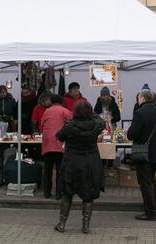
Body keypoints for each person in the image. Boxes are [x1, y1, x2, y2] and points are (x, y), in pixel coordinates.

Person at [54, 100, 104, 234]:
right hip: (91, 162)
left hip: (72, 162)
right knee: (88, 195)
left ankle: (62, 224)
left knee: (67, 193)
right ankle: (86, 225)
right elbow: (100, 120)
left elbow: (58, 136)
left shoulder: (70, 126)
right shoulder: (97, 125)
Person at [127, 90, 156, 221]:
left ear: (142, 98)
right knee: (152, 180)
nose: (138, 100)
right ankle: (154, 203)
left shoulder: (139, 113)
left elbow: (131, 134)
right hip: (155, 151)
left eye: (138, 98)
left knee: (145, 182)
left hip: (142, 152)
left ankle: (150, 212)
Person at [40, 94, 72, 200]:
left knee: (48, 169)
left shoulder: (46, 111)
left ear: (52, 102)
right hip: (59, 142)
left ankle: (46, 193)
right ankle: (58, 193)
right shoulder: (65, 111)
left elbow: (41, 126)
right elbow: (72, 122)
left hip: (47, 143)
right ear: (61, 102)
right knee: (60, 169)